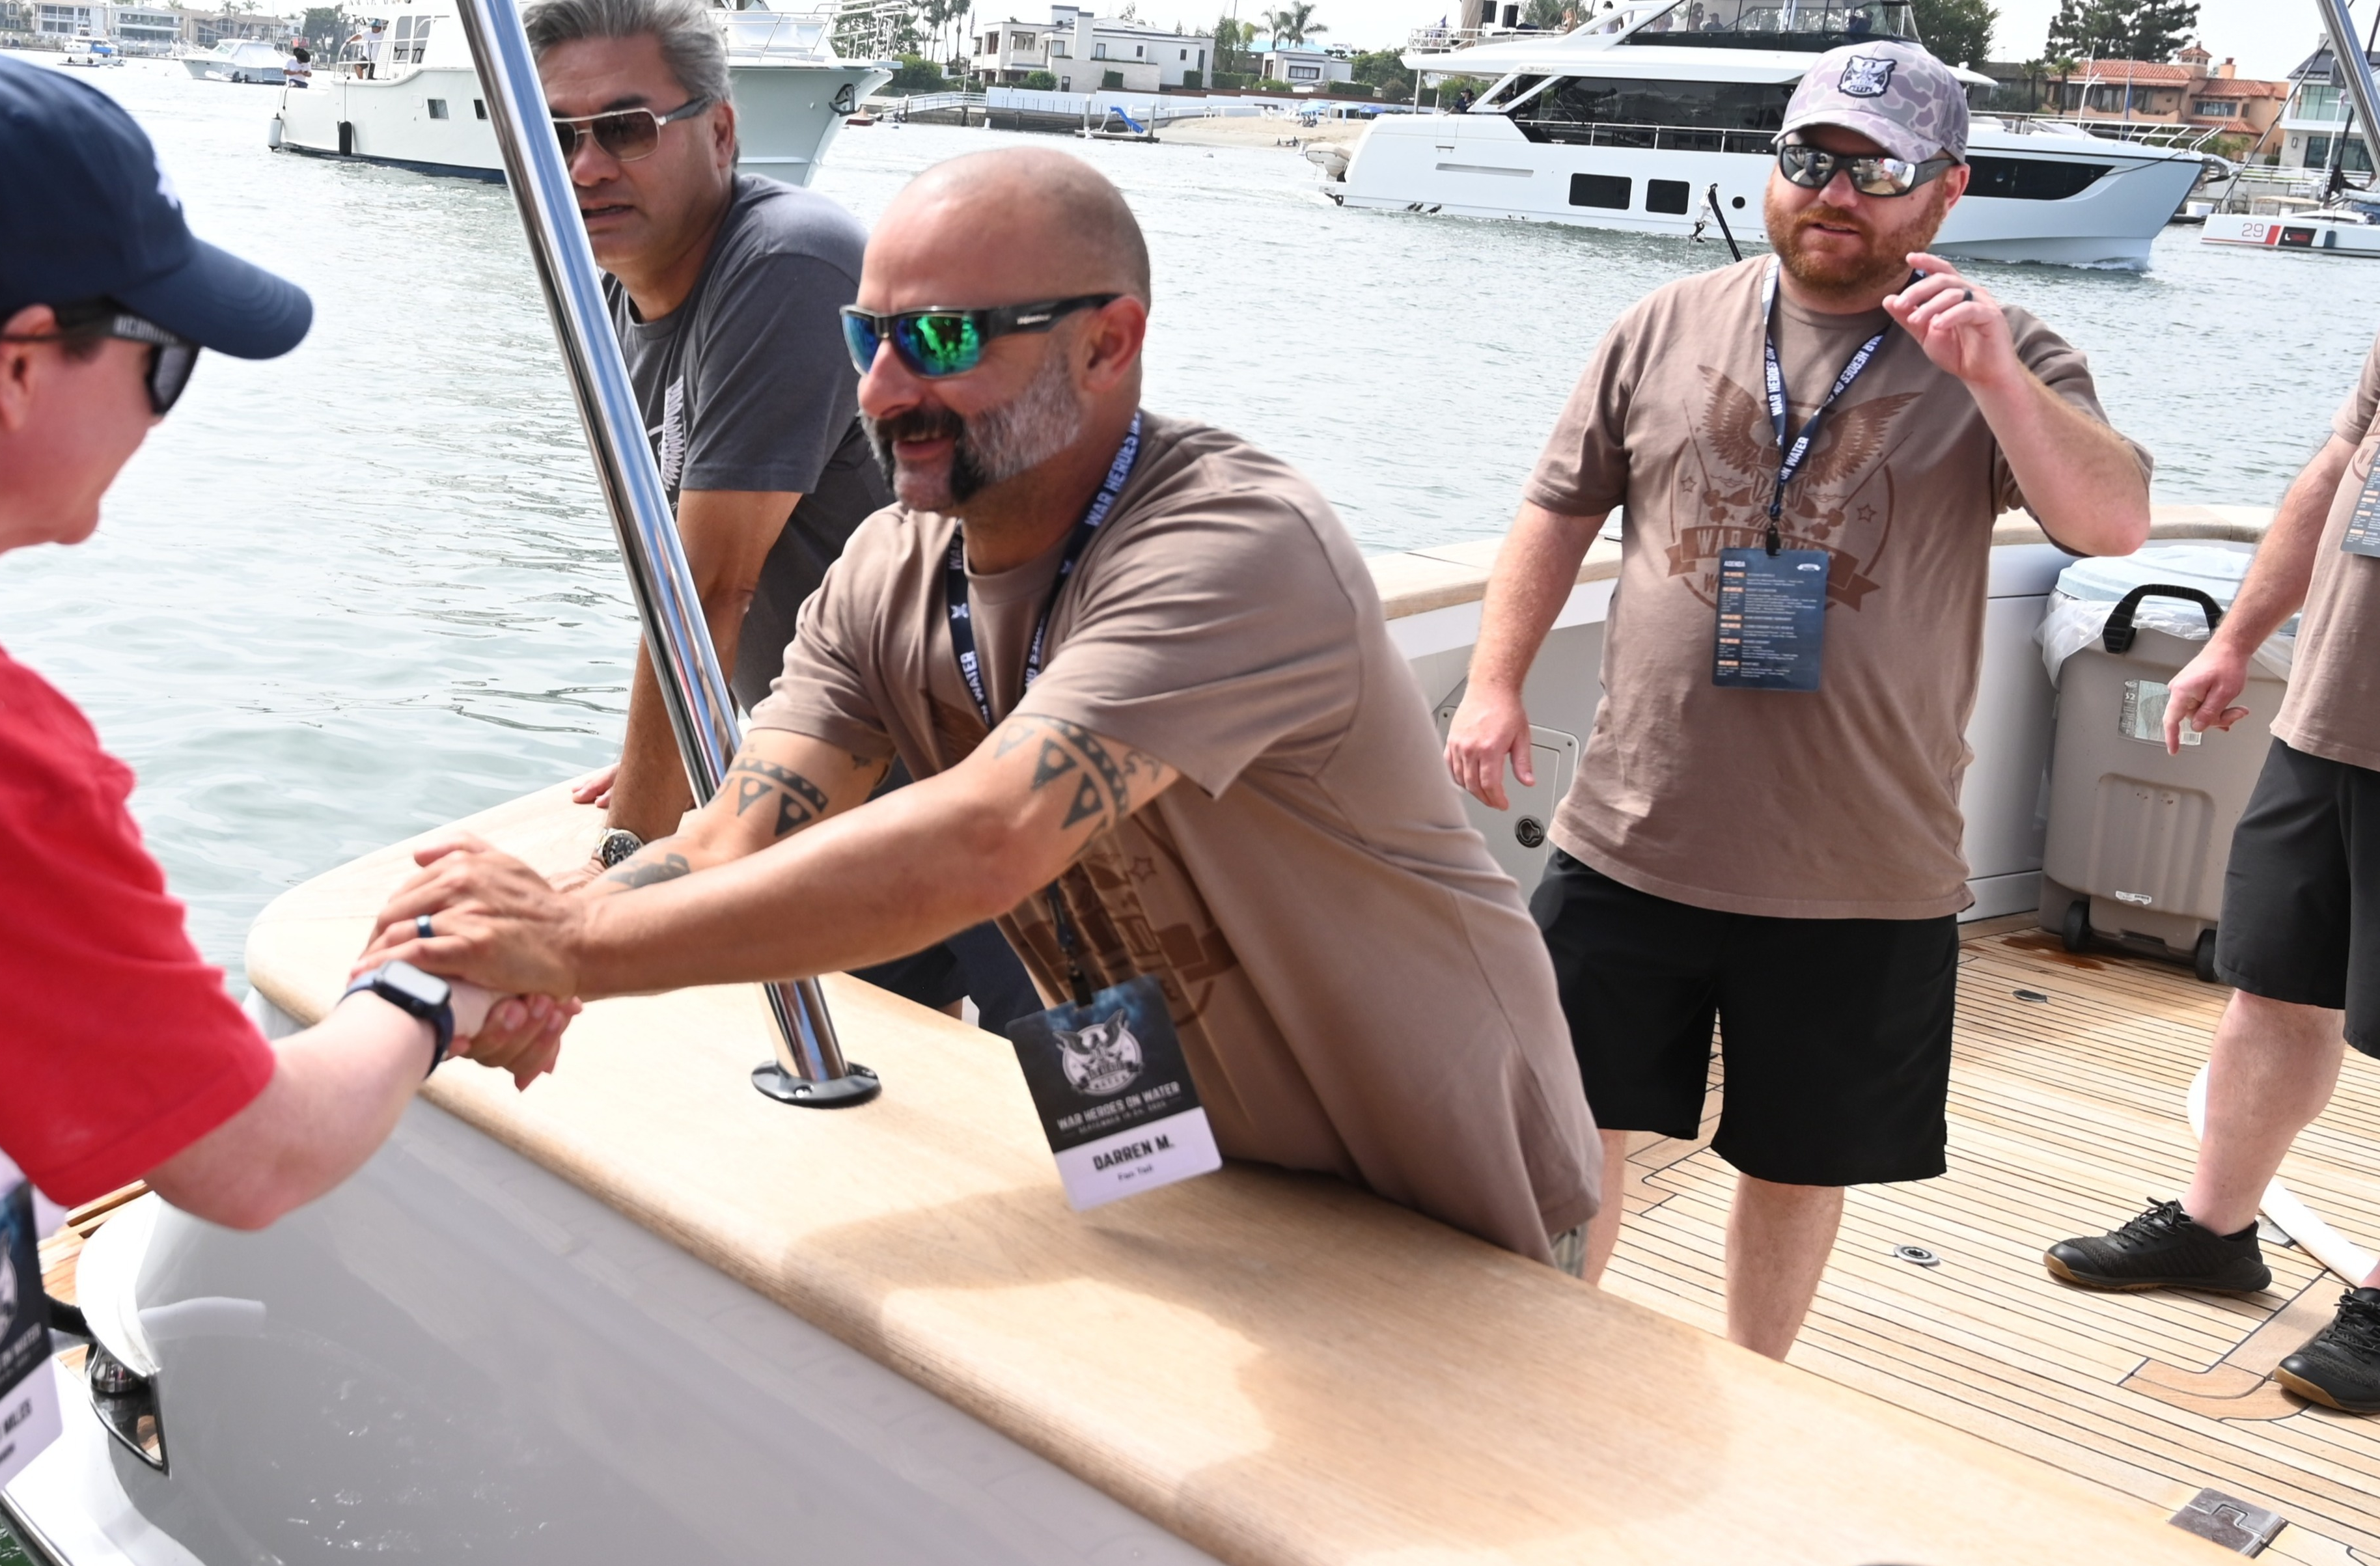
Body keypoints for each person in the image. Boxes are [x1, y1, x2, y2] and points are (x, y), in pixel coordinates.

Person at [376, 148, 1604, 1264]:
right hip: (1156, 1138)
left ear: (1108, 344)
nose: (883, 391)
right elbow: (726, 834)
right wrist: (542, 925)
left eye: (947, 341)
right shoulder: (882, 571)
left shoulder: (1231, 545)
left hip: (1433, 1170)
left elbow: (985, 841)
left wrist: (572, 950)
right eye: (869, 340)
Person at [0, 49, 550, 1566]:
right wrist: (432, 983)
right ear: (20, 366)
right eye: (165, 357)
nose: (166, 408)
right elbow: (251, 1159)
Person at [1445, 41, 2151, 1358]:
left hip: (1858, 870)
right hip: (1632, 836)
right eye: (1809, 159)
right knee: (1569, 1127)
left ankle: (1754, 1385)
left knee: (1795, 1159)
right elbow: (1556, 510)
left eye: (1877, 169)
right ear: (1771, 170)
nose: (1837, 191)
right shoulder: (1661, 322)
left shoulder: (2007, 348)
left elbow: (2108, 522)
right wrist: (1488, 688)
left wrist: (1992, 376)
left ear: (1943, 194)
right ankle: (1544, 1362)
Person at [536, 0, 1037, 1027]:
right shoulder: (633, 306)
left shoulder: (782, 264)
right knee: (888, 1078)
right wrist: (679, 739)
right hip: (851, 753)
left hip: (980, 762)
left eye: (625, 129)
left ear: (720, 131)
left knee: (1111, 1119)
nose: (586, 168)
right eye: (558, 136)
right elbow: (713, 582)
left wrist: (628, 849)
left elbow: (712, 582)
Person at [2041, 333, 2380, 1411]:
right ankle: (2213, 1233)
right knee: (2271, 989)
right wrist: (2237, 639)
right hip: (2326, 725)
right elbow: (2335, 472)